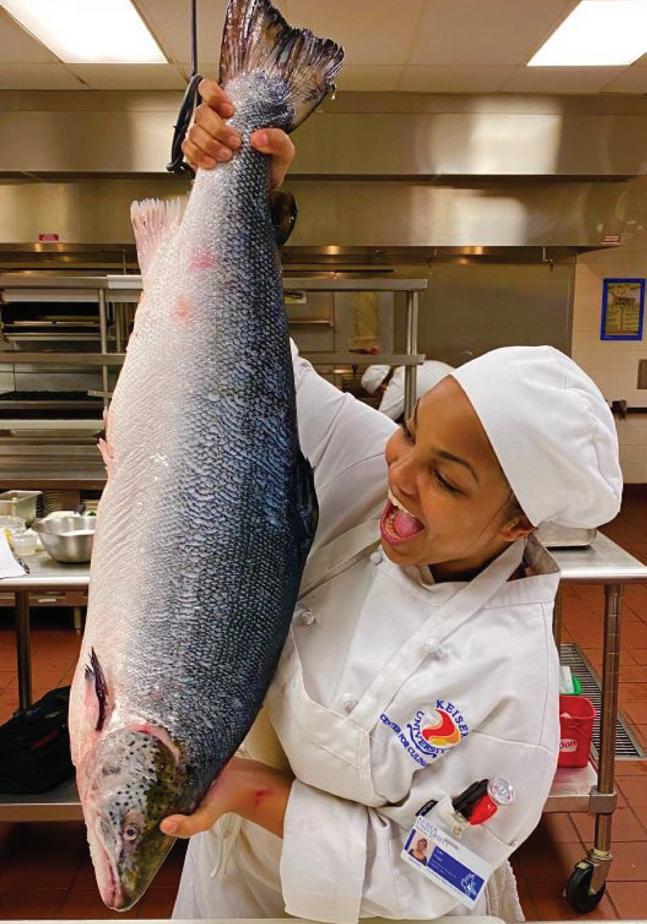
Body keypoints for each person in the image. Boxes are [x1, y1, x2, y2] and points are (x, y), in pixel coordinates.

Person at [165, 79, 623, 923]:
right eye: (408, 431)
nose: (402, 474)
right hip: (226, 888)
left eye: (448, 478)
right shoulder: (373, 475)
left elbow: (437, 876)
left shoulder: (503, 687)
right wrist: (242, 194)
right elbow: (246, 369)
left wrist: (253, 793)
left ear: (517, 522)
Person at [362, 361, 455, 422]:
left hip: (454, 408)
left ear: (383, 387)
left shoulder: (398, 384)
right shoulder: (407, 369)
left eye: (379, 394)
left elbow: (382, 420)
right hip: (459, 393)